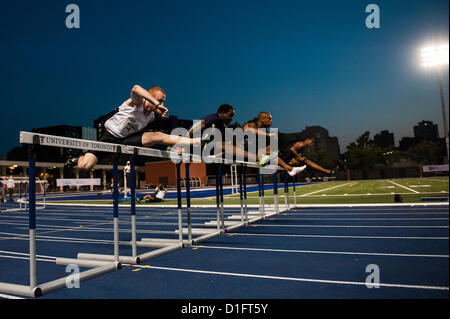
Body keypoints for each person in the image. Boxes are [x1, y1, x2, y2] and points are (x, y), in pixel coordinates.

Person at [65, 85, 201, 170]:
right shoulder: (137, 102)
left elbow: (148, 135)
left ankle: (194, 141)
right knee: (85, 166)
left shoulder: (152, 117)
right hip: (109, 136)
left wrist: (158, 108)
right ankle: (77, 159)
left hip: (127, 139)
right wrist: (156, 103)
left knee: (157, 135)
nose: (162, 104)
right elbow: (136, 88)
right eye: (160, 100)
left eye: (163, 101)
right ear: (149, 98)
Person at [187, 104, 272, 166]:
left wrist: (240, 147)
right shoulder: (212, 118)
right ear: (223, 113)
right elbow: (191, 131)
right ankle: (257, 158)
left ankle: (254, 156)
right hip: (198, 146)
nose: (231, 118)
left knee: (233, 143)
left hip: (211, 149)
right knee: (222, 144)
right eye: (230, 115)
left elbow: (232, 136)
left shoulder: (222, 124)